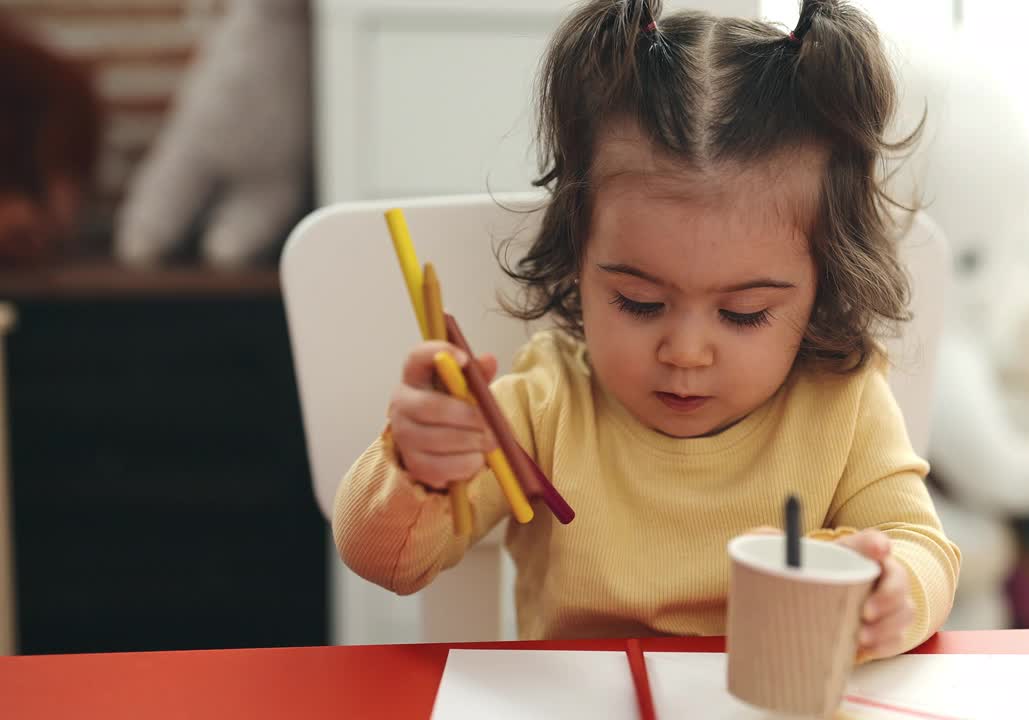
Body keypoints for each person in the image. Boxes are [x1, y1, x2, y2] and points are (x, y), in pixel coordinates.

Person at [334, 0, 959, 660]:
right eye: (637, 301)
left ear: (824, 281)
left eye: (743, 314)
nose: (685, 353)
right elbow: (386, 563)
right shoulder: (545, 407)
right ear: (577, 258)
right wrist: (418, 466)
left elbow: (922, 549)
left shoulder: (844, 401)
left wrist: (895, 592)